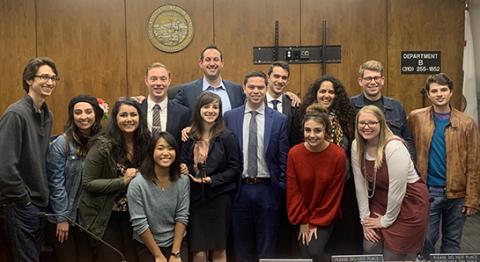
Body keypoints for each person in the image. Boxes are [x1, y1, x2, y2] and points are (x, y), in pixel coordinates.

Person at [408, 73, 479, 260]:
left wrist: (472, 199)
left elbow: (474, 162)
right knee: (426, 240)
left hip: (458, 194)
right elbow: (409, 151)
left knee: (452, 241)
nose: (439, 94)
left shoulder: (467, 123)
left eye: (443, 90)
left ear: (451, 92)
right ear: (429, 95)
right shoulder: (416, 118)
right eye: (434, 91)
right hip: (428, 191)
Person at [224, 70, 289, 262]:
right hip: (239, 189)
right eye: (251, 87)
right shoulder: (230, 117)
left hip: (268, 189)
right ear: (244, 89)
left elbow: (284, 158)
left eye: (260, 87)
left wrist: (281, 188)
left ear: (266, 89)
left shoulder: (279, 119)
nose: (255, 91)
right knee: (241, 247)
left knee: (267, 247)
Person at [351, 105, 429, 261]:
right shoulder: (356, 145)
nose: (366, 127)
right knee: (370, 246)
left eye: (372, 123)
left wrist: (385, 221)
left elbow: (397, 191)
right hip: (382, 199)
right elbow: (360, 186)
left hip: (409, 203)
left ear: (381, 124)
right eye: (362, 123)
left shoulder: (394, 146)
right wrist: (365, 221)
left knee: (392, 257)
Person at [0, 57, 59, 262]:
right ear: (29, 80)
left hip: (39, 204)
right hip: (20, 205)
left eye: (53, 78)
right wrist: (24, 200)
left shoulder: (47, 114)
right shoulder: (15, 114)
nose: (50, 82)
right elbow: (5, 168)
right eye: (44, 77)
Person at [79, 98, 150, 262]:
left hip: (135, 214)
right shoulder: (102, 145)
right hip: (107, 214)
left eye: (133, 114)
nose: (129, 119)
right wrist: (122, 181)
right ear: (115, 119)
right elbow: (88, 182)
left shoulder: (146, 142)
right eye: (123, 115)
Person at [300, 75, 362, 254]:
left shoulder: (347, 118)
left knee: (343, 242)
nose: (326, 95)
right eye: (322, 91)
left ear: (337, 95)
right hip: (315, 190)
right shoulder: (303, 116)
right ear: (316, 94)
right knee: (315, 246)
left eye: (331, 92)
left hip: (344, 186)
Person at [181, 92, 242, 262]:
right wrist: (183, 166)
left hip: (219, 198)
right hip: (196, 198)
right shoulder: (189, 136)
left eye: (215, 107)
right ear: (199, 109)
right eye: (206, 106)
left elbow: (235, 168)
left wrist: (213, 180)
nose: (210, 110)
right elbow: (181, 160)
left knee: (218, 250)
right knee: (199, 252)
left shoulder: (227, 136)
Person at [45, 95, 104, 261]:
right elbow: (56, 184)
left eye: (88, 112)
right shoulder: (61, 144)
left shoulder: (103, 142)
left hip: (89, 218)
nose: (83, 117)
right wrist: (62, 217)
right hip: (65, 217)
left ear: (96, 114)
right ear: (72, 116)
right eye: (78, 112)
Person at [287, 104, 346, 262]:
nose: (312, 135)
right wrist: (303, 221)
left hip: (326, 213)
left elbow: (334, 193)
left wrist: (316, 222)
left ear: (326, 131)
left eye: (317, 130)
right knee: (305, 253)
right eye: (308, 130)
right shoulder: (294, 153)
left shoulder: (338, 155)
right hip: (301, 214)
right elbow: (293, 191)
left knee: (314, 251)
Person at [127, 132, 190, 262]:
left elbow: (182, 215)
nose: (166, 153)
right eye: (160, 148)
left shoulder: (183, 180)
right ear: (151, 152)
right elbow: (139, 223)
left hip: (176, 242)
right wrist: (158, 255)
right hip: (147, 244)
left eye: (170, 148)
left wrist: (175, 253)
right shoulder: (137, 184)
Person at [350, 60, 415, 158]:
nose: (373, 82)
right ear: (360, 81)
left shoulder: (396, 106)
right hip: (362, 163)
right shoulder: (350, 105)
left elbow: (407, 140)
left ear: (382, 80)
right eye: (368, 78)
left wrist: (409, 163)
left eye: (376, 78)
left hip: (393, 162)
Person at [172, 45, 245, 114]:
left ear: (222, 63)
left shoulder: (237, 90)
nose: (212, 64)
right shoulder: (187, 91)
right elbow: (171, 111)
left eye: (216, 59)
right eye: (208, 60)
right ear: (201, 63)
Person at [139, 62, 190, 144]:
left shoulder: (183, 113)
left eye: (163, 79)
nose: (158, 83)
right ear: (146, 80)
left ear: (169, 81)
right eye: (153, 79)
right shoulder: (136, 110)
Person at [265, 61, 302, 146]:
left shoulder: (293, 105)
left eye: (284, 78)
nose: (280, 81)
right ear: (268, 78)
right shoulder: (257, 102)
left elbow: (296, 137)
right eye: (276, 76)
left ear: (287, 81)